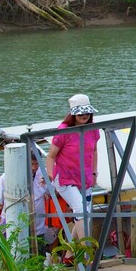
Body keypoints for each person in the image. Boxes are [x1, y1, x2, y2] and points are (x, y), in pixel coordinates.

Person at [46, 94, 100, 259]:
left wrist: (94, 172)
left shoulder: (93, 129)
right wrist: (49, 174)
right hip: (65, 178)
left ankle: (69, 255)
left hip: (84, 178)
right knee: (80, 210)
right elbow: (51, 156)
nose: (84, 116)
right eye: (80, 113)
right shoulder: (63, 131)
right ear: (73, 114)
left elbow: (94, 151)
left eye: (87, 113)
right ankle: (86, 254)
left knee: (84, 214)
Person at [0, 152, 54, 247]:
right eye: (31, 164)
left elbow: (55, 193)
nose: (34, 168)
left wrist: (49, 182)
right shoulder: (8, 176)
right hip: (13, 228)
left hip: (37, 229)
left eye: (37, 164)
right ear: (24, 162)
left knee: (39, 255)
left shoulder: (44, 173)